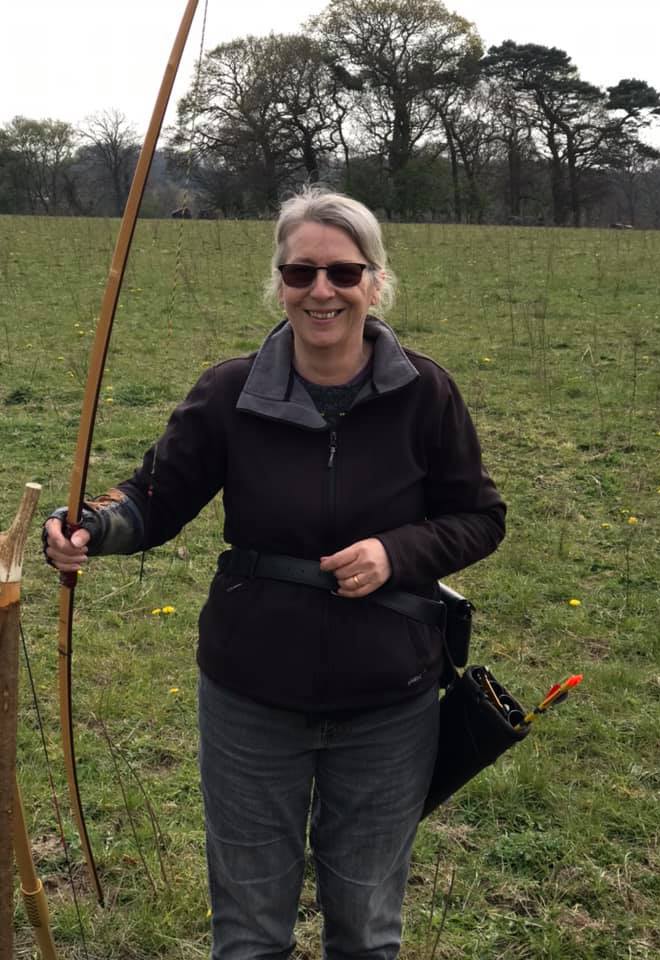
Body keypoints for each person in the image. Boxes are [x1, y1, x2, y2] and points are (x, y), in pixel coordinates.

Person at [44, 187, 506, 960]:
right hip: (250, 698)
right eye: (300, 273)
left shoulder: (426, 393)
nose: (322, 291)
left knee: (366, 929)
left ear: (375, 283)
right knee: (251, 931)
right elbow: (154, 498)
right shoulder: (229, 393)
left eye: (343, 272)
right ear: (279, 283)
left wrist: (396, 554)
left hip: (389, 701)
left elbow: (480, 517)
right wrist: (91, 526)